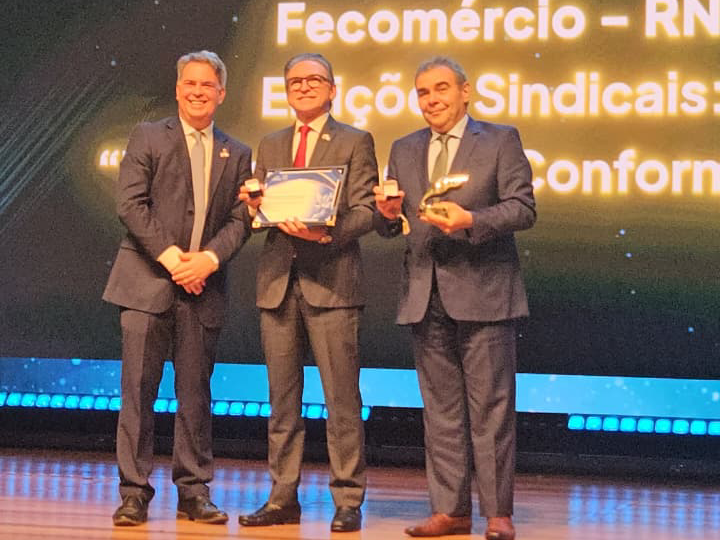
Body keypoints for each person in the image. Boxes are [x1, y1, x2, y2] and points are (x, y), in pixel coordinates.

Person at [374, 57, 536, 540]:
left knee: (491, 410)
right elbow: (391, 225)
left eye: (441, 88)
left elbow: (523, 208)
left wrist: (471, 221)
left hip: (485, 291)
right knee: (440, 411)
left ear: (465, 92)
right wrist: (386, 214)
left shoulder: (500, 139)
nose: (432, 99)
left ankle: (497, 513)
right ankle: (450, 510)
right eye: (423, 92)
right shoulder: (404, 148)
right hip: (425, 294)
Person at [103, 50, 252, 526]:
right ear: (177, 89)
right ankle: (133, 492)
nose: (197, 92)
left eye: (207, 85)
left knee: (195, 398)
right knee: (138, 394)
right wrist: (173, 259)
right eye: (190, 83)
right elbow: (130, 205)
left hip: (203, 288)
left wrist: (208, 260)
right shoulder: (148, 136)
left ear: (221, 93)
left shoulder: (238, 152)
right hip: (146, 285)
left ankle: (194, 491)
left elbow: (241, 219)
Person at [237, 53, 377, 533]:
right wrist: (255, 207)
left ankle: (347, 499)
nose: (303, 86)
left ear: (333, 90)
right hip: (278, 285)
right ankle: (282, 497)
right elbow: (262, 214)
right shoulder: (271, 143)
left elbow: (366, 211)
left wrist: (326, 233)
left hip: (333, 284)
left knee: (341, 401)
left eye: (314, 79)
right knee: (282, 402)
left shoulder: (355, 140)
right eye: (294, 80)